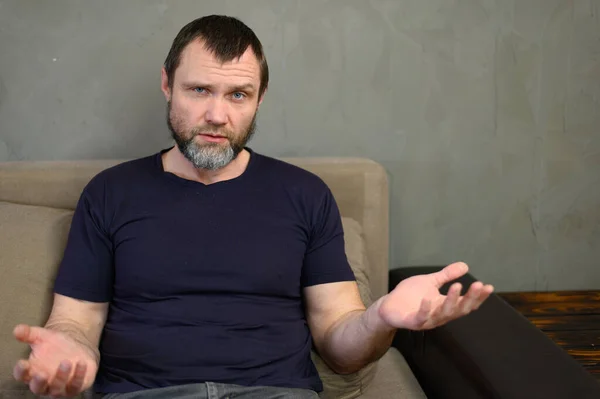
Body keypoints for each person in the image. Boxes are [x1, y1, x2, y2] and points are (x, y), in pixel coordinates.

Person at [12, 15, 494, 399]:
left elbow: (340, 345)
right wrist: (69, 357)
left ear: (260, 98)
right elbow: (76, 322)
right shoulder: (110, 192)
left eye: (237, 95)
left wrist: (381, 317)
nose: (217, 115)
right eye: (199, 90)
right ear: (166, 84)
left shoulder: (304, 194)